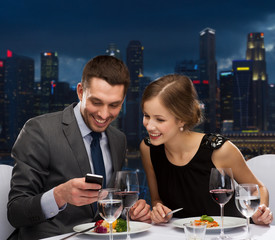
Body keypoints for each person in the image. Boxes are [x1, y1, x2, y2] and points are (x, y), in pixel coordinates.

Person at [7, 55, 151, 240]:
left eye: (114, 105)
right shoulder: (40, 130)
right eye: (96, 102)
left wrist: (130, 212)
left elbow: (109, 205)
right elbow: (15, 212)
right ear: (81, 92)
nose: (104, 114)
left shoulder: (118, 139)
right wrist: (59, 196)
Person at [140, 74, 273, 225]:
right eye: (146, 116)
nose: (149, 126)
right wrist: (158, 209)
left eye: (160, 119)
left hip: (229, 234)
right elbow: (157, 199)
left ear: (182, 119)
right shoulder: (148, 148)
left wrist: (258, 212)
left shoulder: (219, 150)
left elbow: (258, 188)